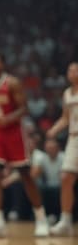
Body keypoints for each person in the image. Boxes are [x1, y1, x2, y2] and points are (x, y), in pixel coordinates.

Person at [0, 53, 49, 238]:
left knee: (25, 174)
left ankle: (41, 218)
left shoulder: (12, 83)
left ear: (2, 64)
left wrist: (8, 119)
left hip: (14, 133)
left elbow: (24, 108)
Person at [47, 61, 78, 235]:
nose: (71, 72)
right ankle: (66, 221)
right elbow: (66, 118)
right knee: (66, 177)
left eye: (75, 70)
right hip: (73, 138)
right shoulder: (67, 93)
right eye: (69, 70)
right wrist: (54, 129)